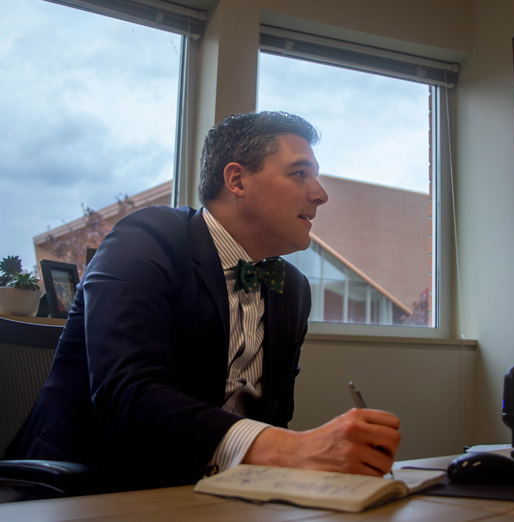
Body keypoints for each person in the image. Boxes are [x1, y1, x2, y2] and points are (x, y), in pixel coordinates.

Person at [16, 111, 400, 489]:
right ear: (236, 180)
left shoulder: (292, 288)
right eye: (300, 173)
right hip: (86, 487)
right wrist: (295, 449)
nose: (321, 194)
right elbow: (128, 396)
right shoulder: (145, 239)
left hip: (221, 494)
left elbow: (275, 417)